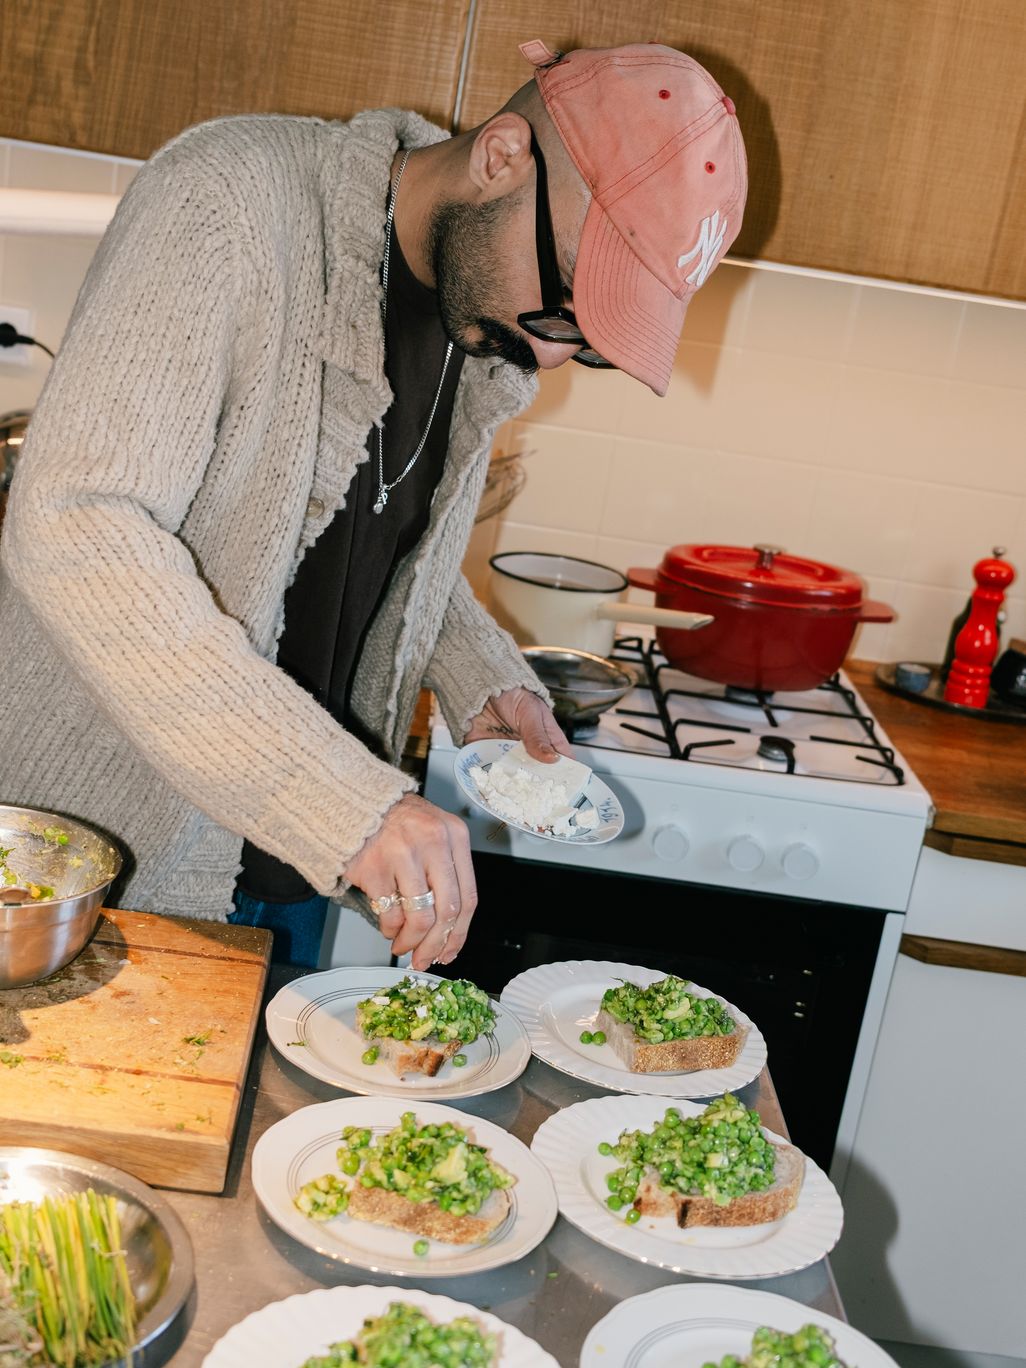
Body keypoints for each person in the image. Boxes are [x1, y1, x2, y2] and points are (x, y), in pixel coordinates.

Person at [0, 39, 746, 970]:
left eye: (588, 345)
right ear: (502, 156)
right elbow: (79, 526)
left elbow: (368, 540)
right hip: (96, 864)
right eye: (563, 309)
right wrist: (345, 799)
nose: (553, 358)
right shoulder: (230, 202)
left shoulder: (474, 316)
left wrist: (479, 669)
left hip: (294, 860)